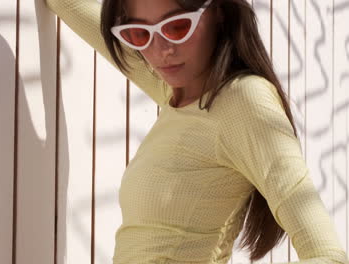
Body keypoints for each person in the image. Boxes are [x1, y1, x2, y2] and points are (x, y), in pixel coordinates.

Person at [42, 0, 349, 263]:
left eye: (176, 27)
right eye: (138, 34)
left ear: (217, 12)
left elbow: (328, 255)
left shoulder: (243, 100)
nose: (160, 50)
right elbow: (69, 4)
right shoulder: (175, 90)